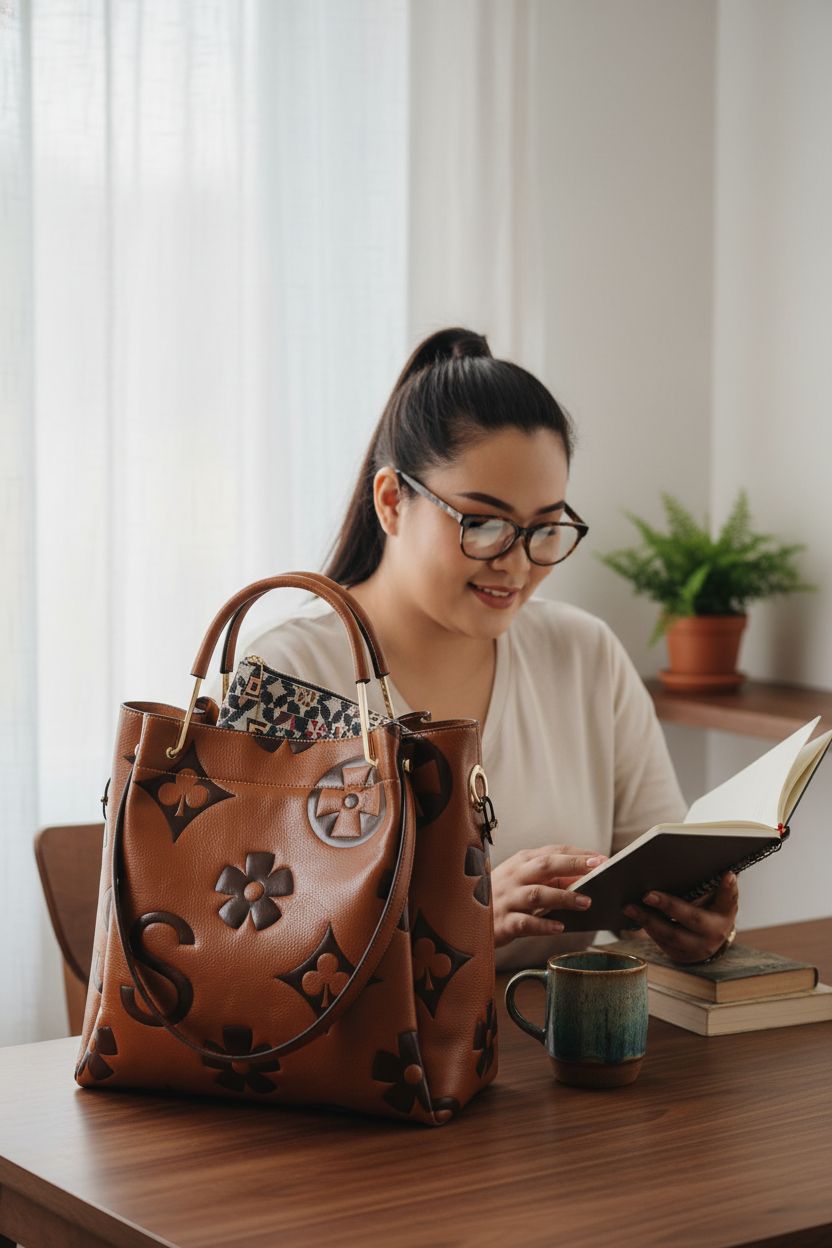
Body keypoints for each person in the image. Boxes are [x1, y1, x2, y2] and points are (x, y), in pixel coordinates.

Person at [211, 327, 739, 971]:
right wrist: (464, 921)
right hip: (372, 1069)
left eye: (544, 528)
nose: (516, 564)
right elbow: (244, 941)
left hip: (558, 1055)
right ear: (391, 502)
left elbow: (651, 890)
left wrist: (691, 924)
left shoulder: (584, 654)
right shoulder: (289, 677)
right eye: (482, 523)